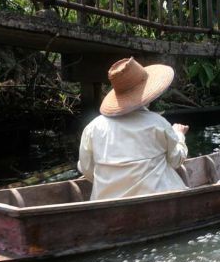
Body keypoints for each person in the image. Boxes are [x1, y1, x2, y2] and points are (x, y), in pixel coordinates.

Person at [77, 57, 189, 200]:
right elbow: (175, 161)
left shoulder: (93, 127)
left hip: (105, 205)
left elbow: (87, 170)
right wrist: (179, 135)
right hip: (158, 201)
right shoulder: (158, 123)